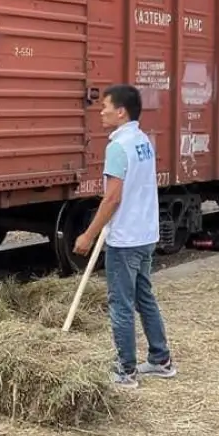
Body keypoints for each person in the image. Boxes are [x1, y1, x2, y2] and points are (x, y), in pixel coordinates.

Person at [74, 84, 175, 388]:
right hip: (145, 233)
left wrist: (88, 235)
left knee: (121, 303)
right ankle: (161, 359)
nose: (100, 111)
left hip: (126, 238)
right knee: (144, 297)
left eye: (105, 107)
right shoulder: (142, 141)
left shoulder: (118, 147)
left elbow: (112, 198)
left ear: (120, 112)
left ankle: (125, 370)